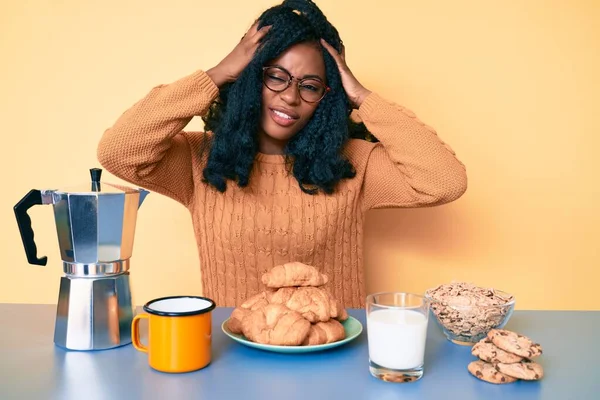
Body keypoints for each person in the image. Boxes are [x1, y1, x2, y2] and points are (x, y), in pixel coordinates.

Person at [97, 0, 467, 309]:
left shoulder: (354, 163)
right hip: (232, 357)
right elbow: (118, 151)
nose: (290, 96)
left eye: (310, 86)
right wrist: (217, 73)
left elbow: (444, 182)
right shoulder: (201, 161)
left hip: (333, 354)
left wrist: (359, 95)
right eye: (276, 76)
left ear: (327, 96)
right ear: (250, 77)